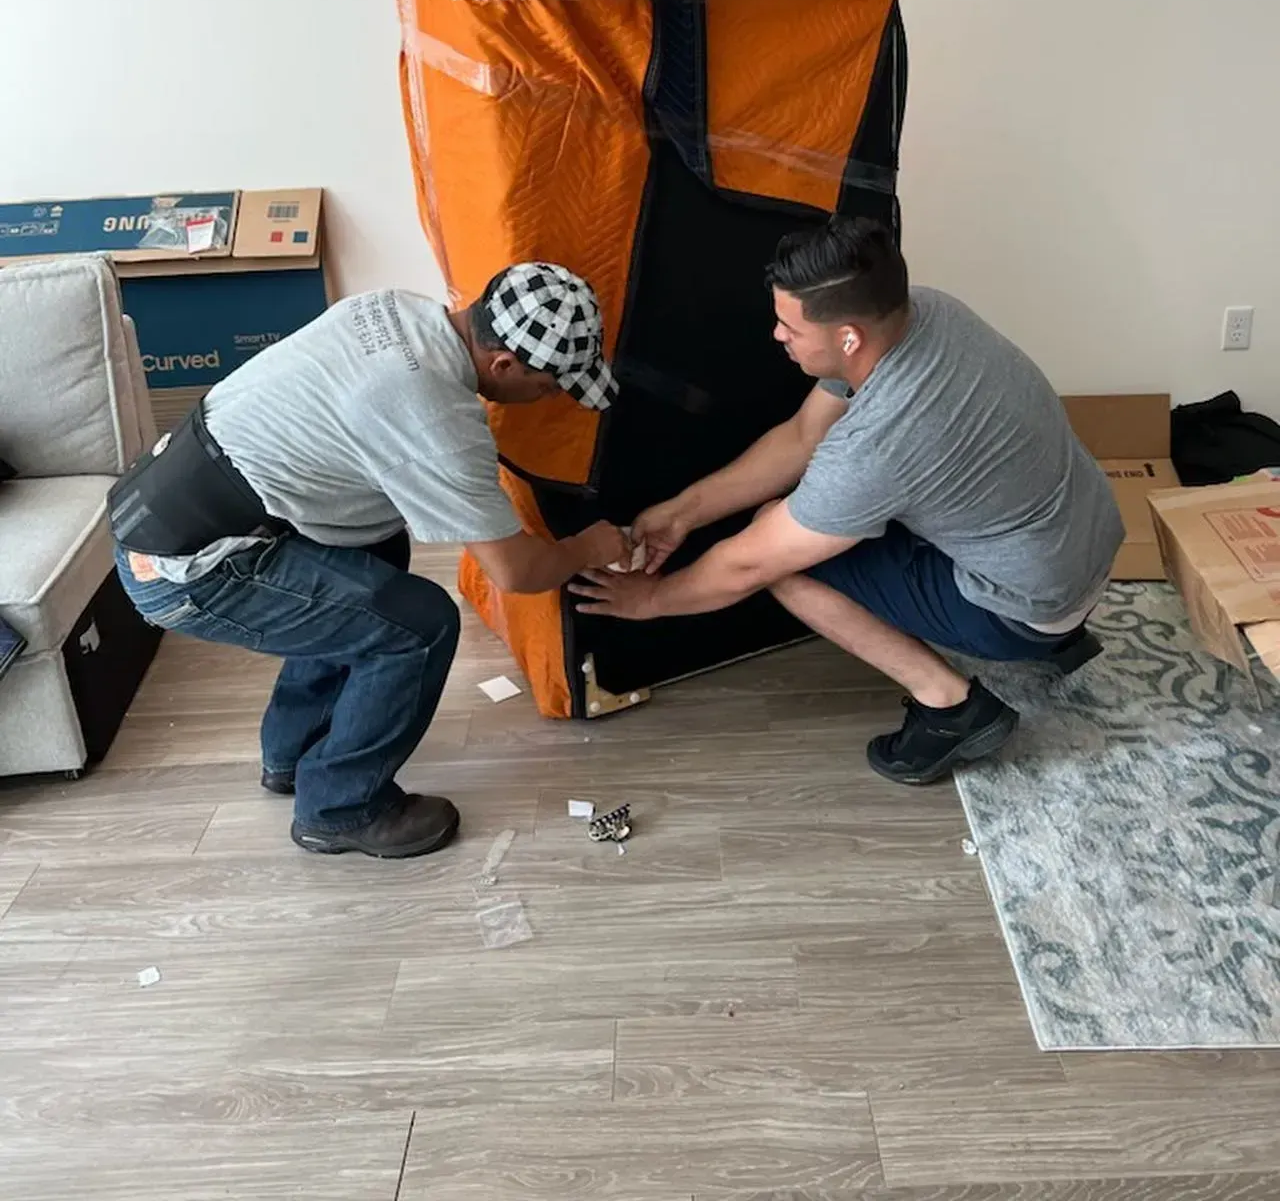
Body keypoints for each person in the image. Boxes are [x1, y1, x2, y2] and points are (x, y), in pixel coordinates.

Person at [572, 218, 1123, 785]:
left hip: (1031, 605)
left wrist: (652, 599)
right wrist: (682, 512)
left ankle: (952, 706)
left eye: (789, 326)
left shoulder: (881, 445)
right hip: (1088, 541)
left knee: (786, 560)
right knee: (828, 520)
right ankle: (1051, 635)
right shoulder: (927, 311)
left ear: (848, 337)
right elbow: (802, 437)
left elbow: (749, 564)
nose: (776, 335)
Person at [110, 263, 629, 858]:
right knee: (418, 626)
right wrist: (592, 546)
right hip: (191, 569)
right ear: (504, 365)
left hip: (165, 506)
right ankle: (339, 806)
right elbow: (518, 573)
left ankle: (296, 750)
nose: (551, 398)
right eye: (549, 385)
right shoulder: (438, 418)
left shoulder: (393, 309)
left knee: (378, 550)